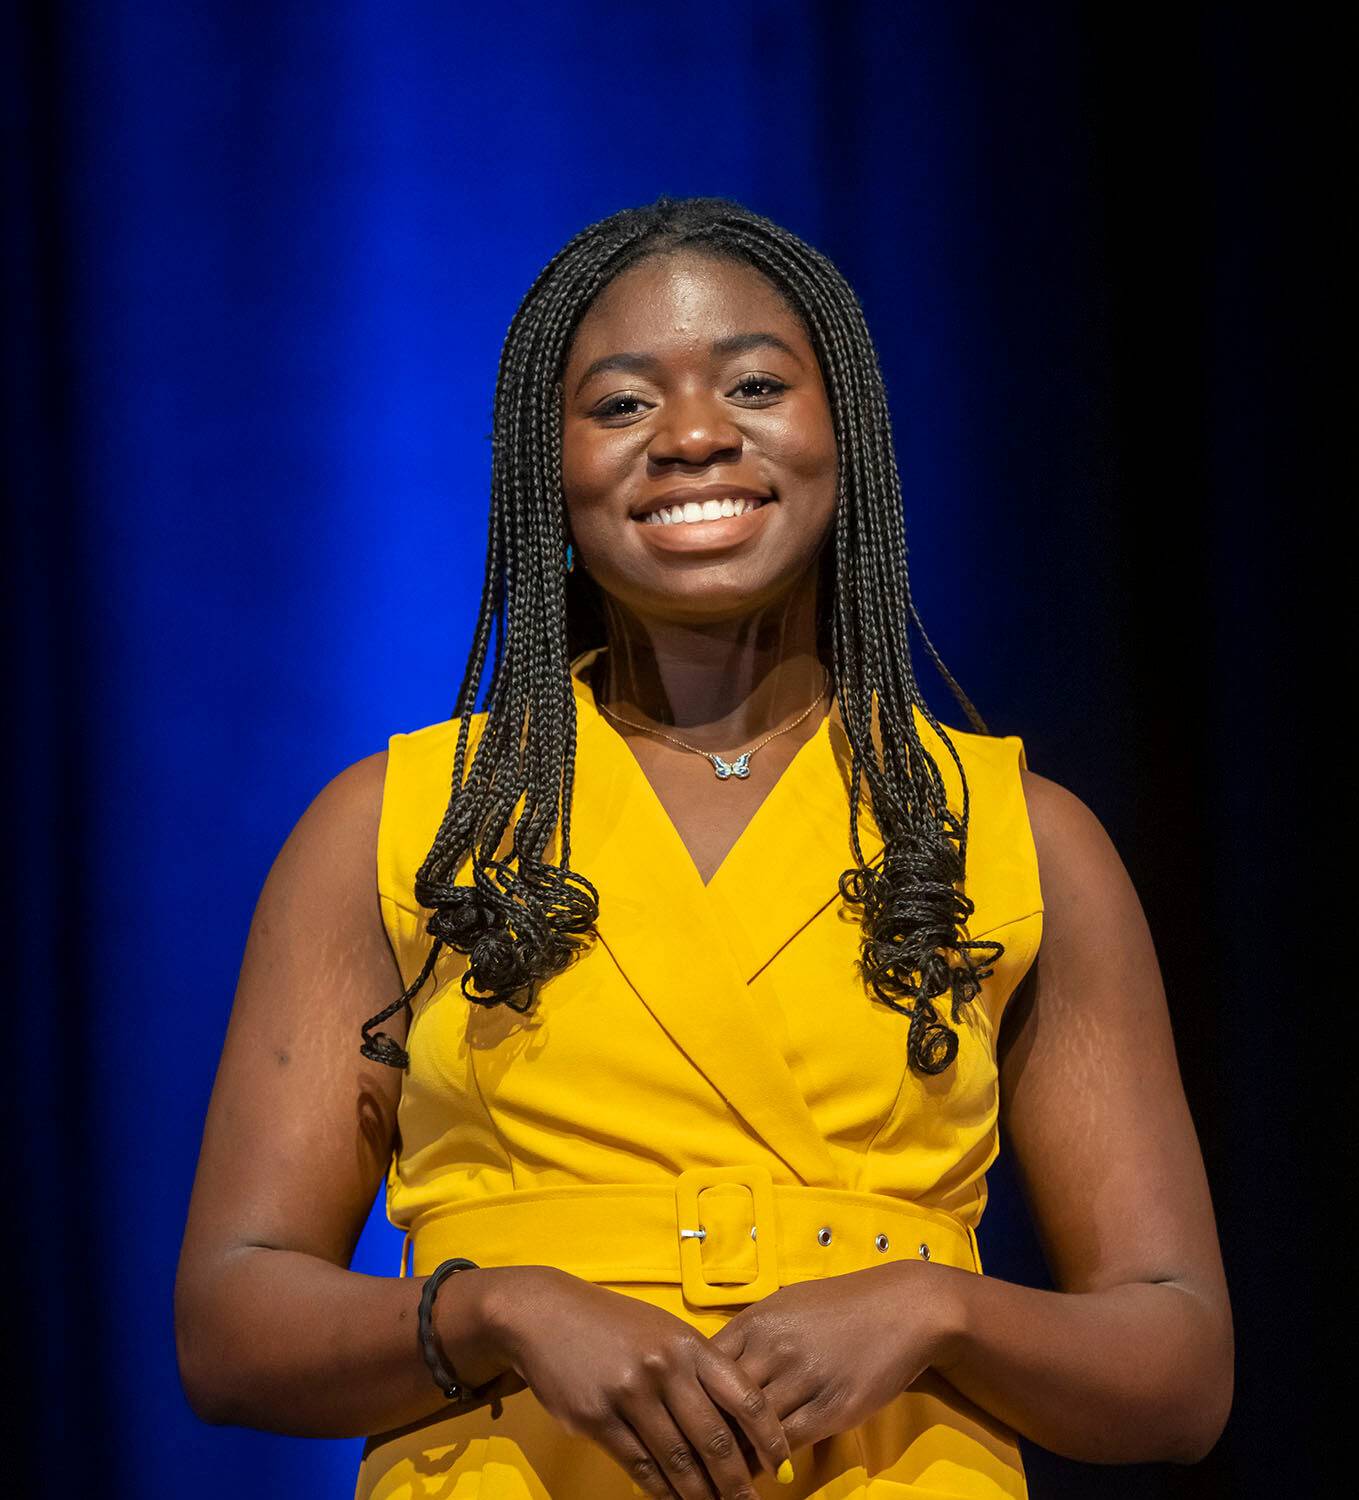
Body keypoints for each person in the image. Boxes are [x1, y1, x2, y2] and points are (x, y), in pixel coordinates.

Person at [174, 195, 1233, 1499]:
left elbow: (1179, 1365)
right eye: (621, 405)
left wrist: (937, 1310)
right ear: (543, 474)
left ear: (842, 441)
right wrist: (496, 1312)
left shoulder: (1017, 840)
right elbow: (230, 1326)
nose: (690, 435)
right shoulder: (398, 826)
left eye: (752, 384)